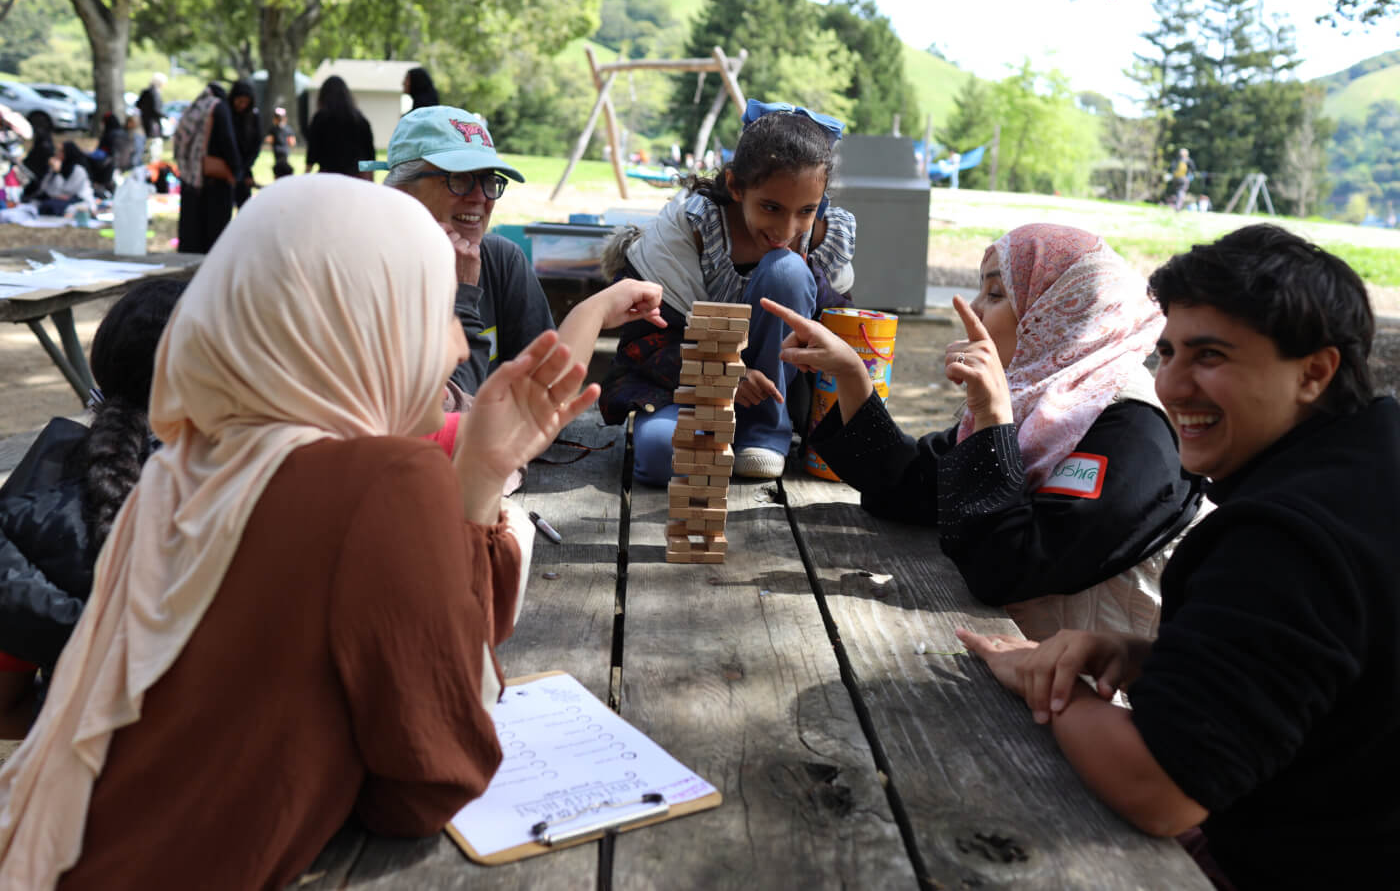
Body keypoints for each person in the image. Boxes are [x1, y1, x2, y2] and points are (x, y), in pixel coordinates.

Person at [0, 174, 600, 889]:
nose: (450, 351)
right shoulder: (381, 482)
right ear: (360, 327)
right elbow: (430, 781)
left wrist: (479, 472)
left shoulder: (187, 466)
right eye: (437, 312)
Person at [956, 224, 1399, 890]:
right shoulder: (1369, 465)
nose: (1172, 386)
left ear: (1315, 371)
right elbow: (1334, 676)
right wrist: (1149, 660)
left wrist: (1043, 679)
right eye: (1166, 354)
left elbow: (1161, 790)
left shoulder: (1287, 538)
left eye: (1210, 356)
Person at [769, 224, 1204, 640]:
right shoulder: (1041, 406)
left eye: (995, 294)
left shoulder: (1131, 430)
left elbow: (1004, 568)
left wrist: (993, 414)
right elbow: (909, 484)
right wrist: (850, 373)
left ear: (1053, 314)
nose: (974, 309)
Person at [598, 99, 858, 482]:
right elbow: (643, 342)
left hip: (778, 396)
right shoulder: (687, 233)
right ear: (736, 186)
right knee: (659, 452)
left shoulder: (818, 240)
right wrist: (721, 375)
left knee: (787, 270)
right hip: (690, 389)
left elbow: (840, 334)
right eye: (770, 207)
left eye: (805, 210)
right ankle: (719, 436)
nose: (787, 230)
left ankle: (764, 434)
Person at [365, 106, 665, 396]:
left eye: (489, 180)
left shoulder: (500, 262)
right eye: (458, 179)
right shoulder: (369, 276)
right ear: (401, 192)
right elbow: (447, 420)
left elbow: (543, 393)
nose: (481, 196)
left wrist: (595, 311)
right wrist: (463, 296)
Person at [0, 279, 185, 735]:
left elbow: (6, 706)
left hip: (78, 784)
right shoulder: (256, 505)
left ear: (103, 370)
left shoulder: (29, 511)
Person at [173, 83, 241, 254]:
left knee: (193, 229)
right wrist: (236, 169)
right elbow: (227, 141)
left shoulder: (196, 107)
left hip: (191, 175)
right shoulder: (218, 107)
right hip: (214, 177)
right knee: (214, 233)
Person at [305, 75, 375, 179]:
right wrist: (370, 179)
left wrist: (306, 175)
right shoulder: (359, 119)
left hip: (328, 176)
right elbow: (369, 154)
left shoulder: (320, 118)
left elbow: (312, 154)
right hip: (355, 177)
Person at [26, 142, 94, 217]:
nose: (57, 153)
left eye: (60, 151)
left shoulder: (78, 170)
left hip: (77, 198)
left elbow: (68, 191)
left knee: (51, 206)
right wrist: (54, 172)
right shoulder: (56, 168)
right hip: (57, 198)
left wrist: (58, 173)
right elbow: (46, 189)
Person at [227, 79, 261, 207]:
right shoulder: (226, 114)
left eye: (246, 102)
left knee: (245, 205)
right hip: (228, 168)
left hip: (245, 167)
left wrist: (246, 166)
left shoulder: (253, 116)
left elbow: (256, 144)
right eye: (240, 101)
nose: (242, 105)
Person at [135, 72, 166, 163]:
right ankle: (152, 167)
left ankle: (146, 163)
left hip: (144, 123)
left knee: (146, 147)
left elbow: (138, 105)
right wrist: (166, 117)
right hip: (153, 125)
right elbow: (156, 110)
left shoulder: (146, 92)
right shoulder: (155, 93)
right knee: (154, 148)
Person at [265, 106, 294, 178]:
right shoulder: (288, 128)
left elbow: (270, 140)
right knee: (284, 166)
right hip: (285, 151)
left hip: (277, 150)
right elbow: (292, 142)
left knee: (278, 167)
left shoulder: (273, 129)